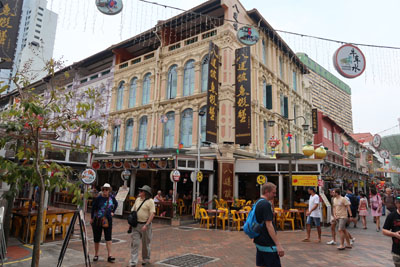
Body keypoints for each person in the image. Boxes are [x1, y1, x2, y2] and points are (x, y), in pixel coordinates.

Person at [254, 182, 284, 267]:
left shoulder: (258, 202)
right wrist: (278, 244)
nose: (275, 195)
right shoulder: (266, 204)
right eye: (273, 193)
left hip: (259, 241)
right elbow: (269, 225)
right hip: (268, 243)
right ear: (267, 191)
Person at [90, 183, 118, 263]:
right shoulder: (98, 198)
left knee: (108, 238)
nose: (105, 191)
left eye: (107, 189)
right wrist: (92, 218)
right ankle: (96, 254)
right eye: (104, 189)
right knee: (97, 238)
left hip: (108, 220)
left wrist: (113, 212)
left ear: (109, 190)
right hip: (98, 220)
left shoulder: (112, 197)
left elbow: (116, 204)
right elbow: (93, 208)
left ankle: (110, 255)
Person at [129, 185, 156, 267]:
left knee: (145, 243)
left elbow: (152, 214)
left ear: (146, 193)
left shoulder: (150, 201)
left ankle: (146, 259)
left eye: (141, 191)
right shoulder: (137, 200)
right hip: (136, 225)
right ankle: (133, 262)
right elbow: (133, 210)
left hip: (145, 225)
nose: (139, 192)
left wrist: (147, 224)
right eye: (140, 191)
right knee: (135, 243)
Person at [383, 196, 400, 267]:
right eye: (399, 203)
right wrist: (394, 234)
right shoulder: (391, 216)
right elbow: (384, 230)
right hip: (397, 250)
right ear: (396, 204)